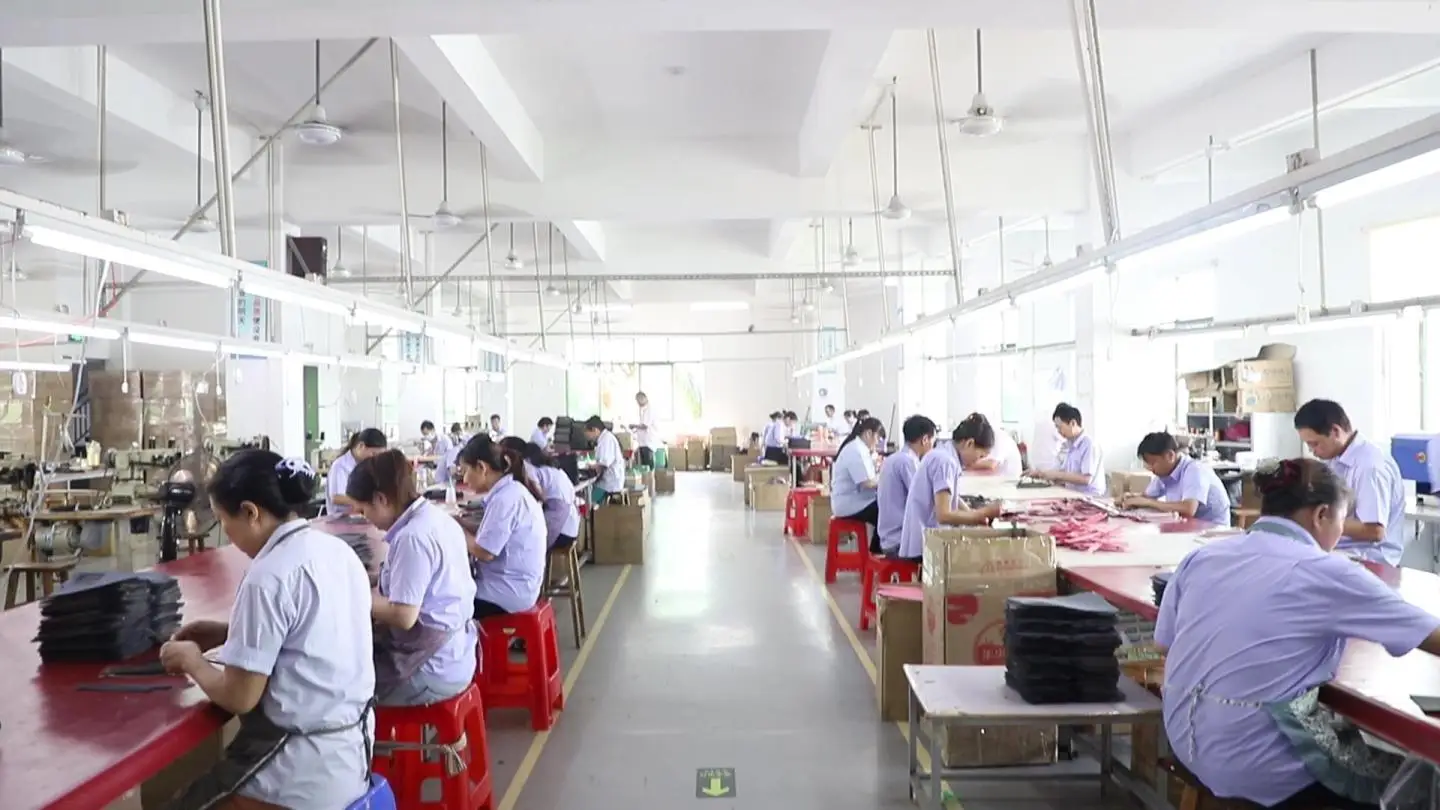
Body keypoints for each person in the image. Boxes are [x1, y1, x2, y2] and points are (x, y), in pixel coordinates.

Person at [1156, 458, 1440, 808]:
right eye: (1341, 520)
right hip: (1256, 761)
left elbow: (1164, 644)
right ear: (1322, 514)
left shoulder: (1203, 557)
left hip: (1184, 739)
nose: (1340, 533)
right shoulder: (1326, 570)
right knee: (1413, 780)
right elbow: (1430, 634)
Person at [158, 450, 374, 810]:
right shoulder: (337, 552)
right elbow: (314, 631)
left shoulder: (268, 575)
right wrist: (231, 632)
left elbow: (239, 697)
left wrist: (192, 660)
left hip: (298, 771)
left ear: (250, 513)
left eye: (224, 522)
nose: (228, 536)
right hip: (351, 756)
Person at [346, 449, 478, 707]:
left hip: (430, 669)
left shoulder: (412, 537)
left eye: (363, 511)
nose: (365, 519)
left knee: (341, 690)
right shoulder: (435, 517)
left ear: (381, 499)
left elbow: (404, 615)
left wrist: (353, 595)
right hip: (456, 653)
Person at [1293, 398, 1407, 564]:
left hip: (1368, 557)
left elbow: (1375, 531)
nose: (1312, 451)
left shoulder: (1369, 466)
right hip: (1340, 550)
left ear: (1335, 431)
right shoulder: (1335, 458)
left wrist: (1317, 522)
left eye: (1315, 444)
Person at [456, 434, 547, 620]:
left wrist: (457, 531)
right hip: (516, 586)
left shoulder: (505, 499)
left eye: (465, 471)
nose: (464, 479)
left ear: (481, 468)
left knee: (441, 603)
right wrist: (461, 523)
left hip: (507, 593)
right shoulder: (510, 492)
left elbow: (485, 552)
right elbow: (491, 533)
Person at [896, 414, 1005, 561]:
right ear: (969, 444)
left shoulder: (944, 455)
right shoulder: (945, 461)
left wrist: (973, 515)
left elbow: (952, 497)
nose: (977, 461)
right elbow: (944, 515)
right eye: (980, 456)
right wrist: (982, 513)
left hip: (925, 539)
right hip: (922, 548)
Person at [1121, 432, 1232, 524]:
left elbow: (1188, 509)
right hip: (1189, 526)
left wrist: (1148, 502)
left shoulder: (1194, 470)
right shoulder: (1165, 472)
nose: (1151, 469)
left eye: (1153, 463)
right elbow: (1147, 496)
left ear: (1170, 456)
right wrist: (1131, 498)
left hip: (1213, 531)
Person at [502, 437, 581, 549]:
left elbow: (538, 492)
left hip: (562, 532)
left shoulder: (527, 467)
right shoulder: (551, 468)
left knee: (524, 540)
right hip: (571, 528)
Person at [877, 415, 937, 556]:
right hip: (899, 540)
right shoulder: (907, 462)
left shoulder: (894, 458)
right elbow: (925, 498)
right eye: (933, 442)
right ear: (925, 440)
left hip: (889, 536)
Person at [831, 416, 885, 552]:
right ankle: (877, 552)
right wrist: (885, 481)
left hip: (858, 499)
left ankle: (877, 550)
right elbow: (867, 483)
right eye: (877, 438)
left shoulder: (860, 449)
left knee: (886, 508)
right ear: (868, 434)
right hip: (850, 504)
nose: (878, 442)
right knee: (887, 513)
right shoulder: (855, 451)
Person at [1030, 403, 1104, 496]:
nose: (1059, 431)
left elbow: (1086, 479)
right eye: (1057, 427)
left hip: (1090, 497)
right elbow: (1064, 475)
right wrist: (1041, 474)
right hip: (1074, 494)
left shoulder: (1088, 444)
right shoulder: (1069, 445)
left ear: (1072, 423)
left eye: (1060, 427)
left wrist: (1056, 475)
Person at [327, 427, 387, 515]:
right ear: (361, 446)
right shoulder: (340, 466)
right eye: (373, 454)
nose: (375, 458)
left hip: (360, 516)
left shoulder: (366, 465)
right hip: (341, 517)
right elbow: (336, 497)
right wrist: (364, 504)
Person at [583, 415, 625, 505]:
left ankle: (594, 512)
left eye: (587, 433)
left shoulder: (606, 440)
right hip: (607, 481)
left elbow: (603, 464)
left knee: (589, 501)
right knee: (588, 495)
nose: (588, 437)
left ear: (595, 430)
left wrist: (590, 467)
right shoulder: (604, 438)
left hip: (609, 484)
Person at [421, 420, 456, 484]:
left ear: (433, 430)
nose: (426, 436)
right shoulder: (431, 442)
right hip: (436, 469)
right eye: (424, 435)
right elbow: (430, 453)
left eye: (426, 434)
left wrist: (435, 458)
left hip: (445, 470)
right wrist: (426, 454)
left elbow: (450, 456)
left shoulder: (444, 440)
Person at [631, 391, 658, 468]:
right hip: (643, 442)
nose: (638, 403)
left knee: (648, 466)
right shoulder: (645, 410)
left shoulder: (649, 410)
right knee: (644, 466)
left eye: (638, 401)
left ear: (643, 399)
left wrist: (634, 426)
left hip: (648, 443)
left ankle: (649, 476)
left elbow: (645, 426)